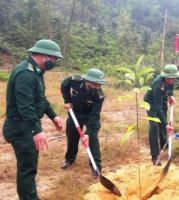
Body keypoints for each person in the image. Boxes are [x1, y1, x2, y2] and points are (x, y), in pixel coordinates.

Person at [2, 39, 64, 200]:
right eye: (54, 58)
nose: (55, 62)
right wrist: (35, 131)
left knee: (29, 167)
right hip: (21, 127)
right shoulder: (25, 74)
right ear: (44, 55)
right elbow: (25, 106)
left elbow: (40, 99)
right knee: (27, 169)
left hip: (25, 125)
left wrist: (53, 116)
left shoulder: (36, 72)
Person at [60, 68, 106, 177]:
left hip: (89, 116)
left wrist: (88, 133)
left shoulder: (99, 95)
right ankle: (69, 159)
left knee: (92, 140)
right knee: (72, 136)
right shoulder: (75, 80)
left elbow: (95, 116)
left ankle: (96, 167)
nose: (97, 87)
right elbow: (64, 85)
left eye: (99, 84)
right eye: (95, 84)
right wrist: (67, 100)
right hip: (74, 113)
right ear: (87, 81)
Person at [144, 64, 179, 165]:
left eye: (173, 79)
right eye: (169, 79)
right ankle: (155, 156)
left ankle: (165, 144)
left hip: (162, 99)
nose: (171, 81)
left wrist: (171, 95)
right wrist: (165, 124)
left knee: (163, 123)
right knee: (155, 126)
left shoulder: (171, 79)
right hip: (151, 104)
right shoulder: (157, 84)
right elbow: (157, 107)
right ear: (164, 76)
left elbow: (170, 89)